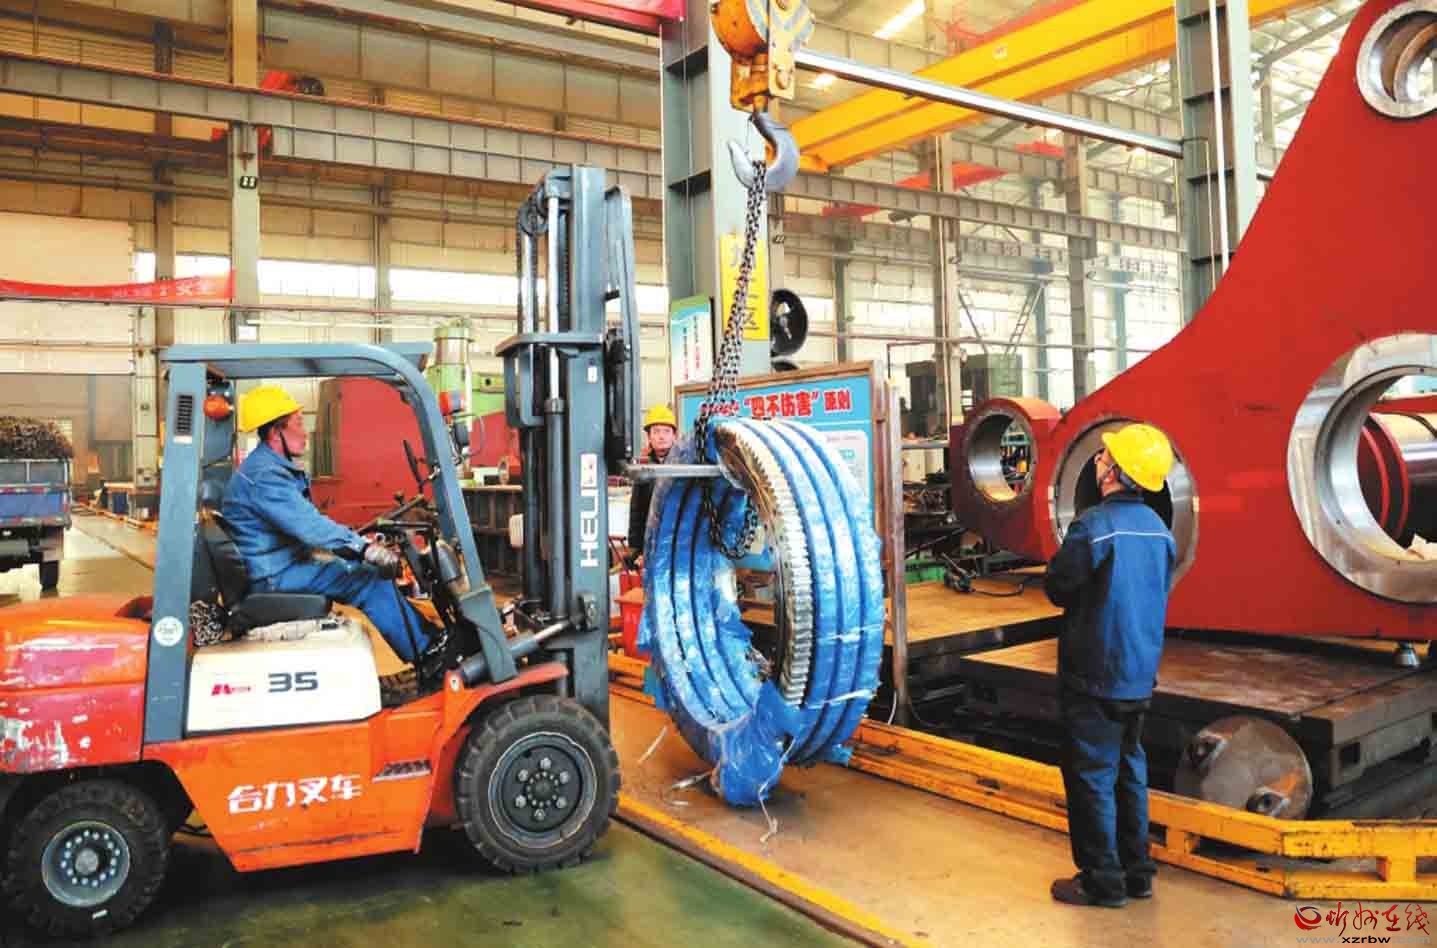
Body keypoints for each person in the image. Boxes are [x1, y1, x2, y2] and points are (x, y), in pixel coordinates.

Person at [1044, 423, 1177, 908]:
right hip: (1138, 675)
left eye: (1104, 457)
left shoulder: (1094, 527)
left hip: (1094, 676)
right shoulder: (1160, 530)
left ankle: (1101, 880)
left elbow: (1059, 587)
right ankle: (1137, 873)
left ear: (1115, 473)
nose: (1098, 461)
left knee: (1093, 777)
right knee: (1129, 772)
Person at [221, 385, 438, 663]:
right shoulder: (265, 476)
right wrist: (364, 549)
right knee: (367, 580)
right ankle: (427, 655)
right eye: (298, 423)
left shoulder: (268, 468)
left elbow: (306, 524)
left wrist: (355, 544)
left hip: (277, 566)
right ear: (276, 432)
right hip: (273, 576)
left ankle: (425, 641)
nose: (305, 433)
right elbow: (310, 526)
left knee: (357, 568)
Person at [625, 404, 677, 565]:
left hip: (679, 541)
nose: (661, 436)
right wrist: (635, 548)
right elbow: (637, 511)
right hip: (652, 542)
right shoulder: (644, 470)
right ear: (649, 437)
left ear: (674, 436)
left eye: (666, 431)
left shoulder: (685, 465)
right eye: (656, 431)